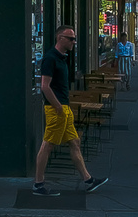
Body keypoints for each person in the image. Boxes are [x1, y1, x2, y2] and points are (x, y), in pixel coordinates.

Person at [33, 25, 108, 196]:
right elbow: (45, 86)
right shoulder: (50, 58)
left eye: (74, 38)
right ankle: (38, 184)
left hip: (62, 107)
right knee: (48, 145)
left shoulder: (61, 58)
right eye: (71, 38)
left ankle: (88, 180)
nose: (74, 42)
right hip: (56, 109)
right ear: (60, 38)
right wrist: (58, 106)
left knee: (74, 142)